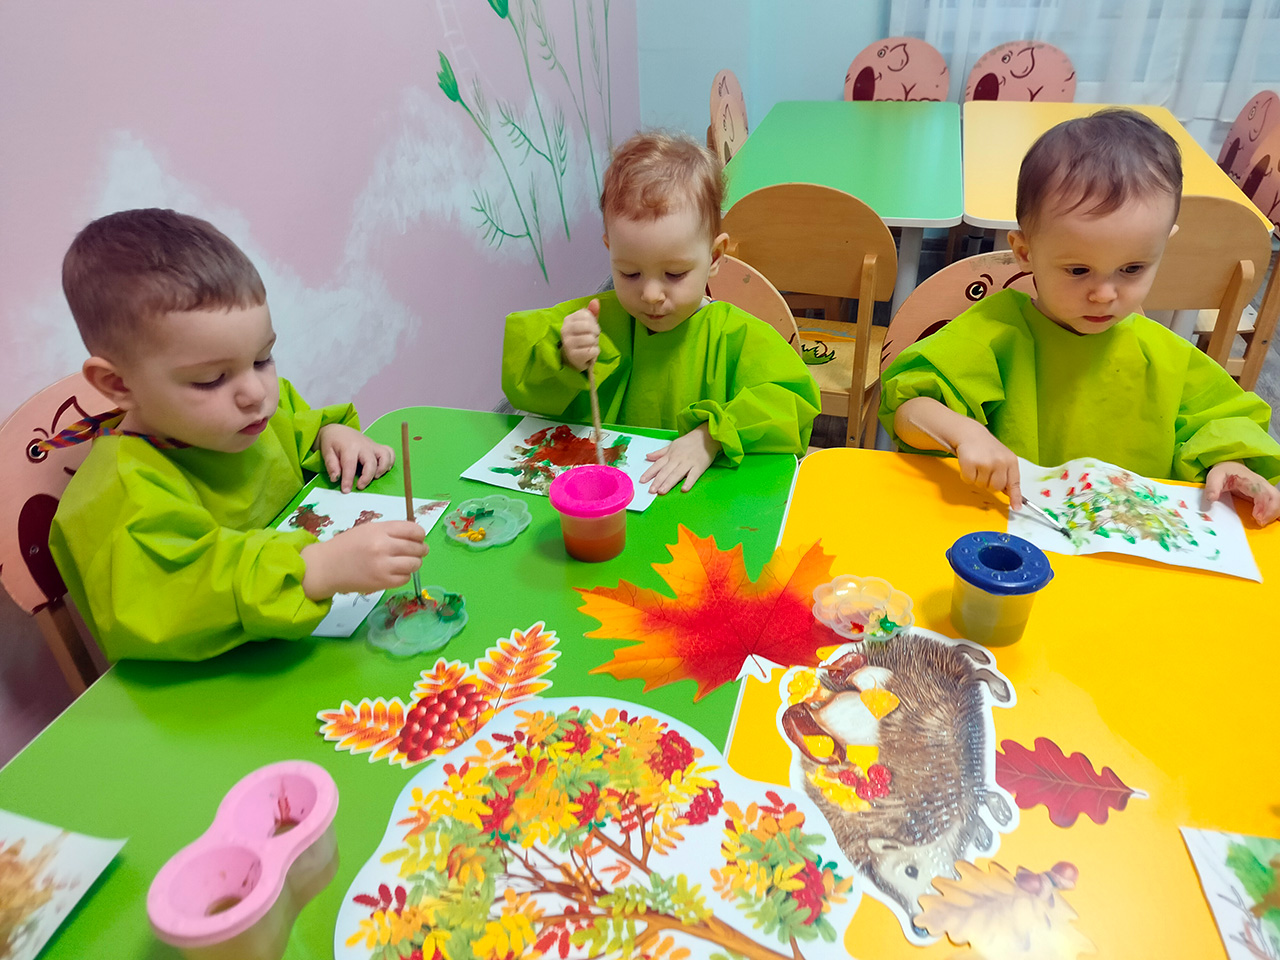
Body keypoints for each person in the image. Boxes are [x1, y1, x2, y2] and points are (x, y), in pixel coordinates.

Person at [47, 208, 428, 661]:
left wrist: (332, 436)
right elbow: (181, 595)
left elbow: (296, 428)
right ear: (119, 385)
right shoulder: (121, 492)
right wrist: (313, 569)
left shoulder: (249, 417)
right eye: (211, 379)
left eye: (262, 359)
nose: (256, 393)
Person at [879, 108, 1280, 524]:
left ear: (1164, 245)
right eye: (1078, 270)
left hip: (1124, 545)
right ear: (1025, 252)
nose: (1104, 295)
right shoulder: (995, 334)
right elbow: (908, 408)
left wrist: (1230, 466)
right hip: (1003, 532)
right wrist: (964, 434)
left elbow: (1222, 425)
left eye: (1132, 269)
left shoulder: (1164, 356)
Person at [502, 132, 821, 494]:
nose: (651, 295)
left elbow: (792, 403)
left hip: (702, 504)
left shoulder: (735, 337)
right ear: (610, 250)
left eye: (674, 274)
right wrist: (563, 356)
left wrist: (711, 436)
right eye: (629, 273)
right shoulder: (597, 321)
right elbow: (521, 380)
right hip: (606, 501)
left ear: (714, 257)